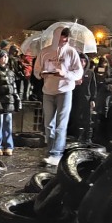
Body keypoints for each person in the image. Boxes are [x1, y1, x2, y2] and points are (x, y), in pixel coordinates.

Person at [33, 27, 84, 166]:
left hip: (65, 91)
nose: (64, 40)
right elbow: (36, 70)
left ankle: (56, 153)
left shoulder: (71, 52)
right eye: (62, 36)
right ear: (56, 36)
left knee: (61, 124)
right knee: (48, 124)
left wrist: (65, 74)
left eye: (66, 37)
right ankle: (50, 151)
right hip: (48, 91)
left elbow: (79, 73)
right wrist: (41, 74)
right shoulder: (45, 52)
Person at [67, 51, 97, 145]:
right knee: (74, 117)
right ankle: (74, 136)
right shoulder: (72, 72)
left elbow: (93, 87)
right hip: (74, 98)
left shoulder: (90, 73)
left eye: (84, 61)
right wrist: (75, 83)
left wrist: (93, 99)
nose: (82, 63)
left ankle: (88, 138)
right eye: (80, 61)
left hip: (86, 99)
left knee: (87, 119)